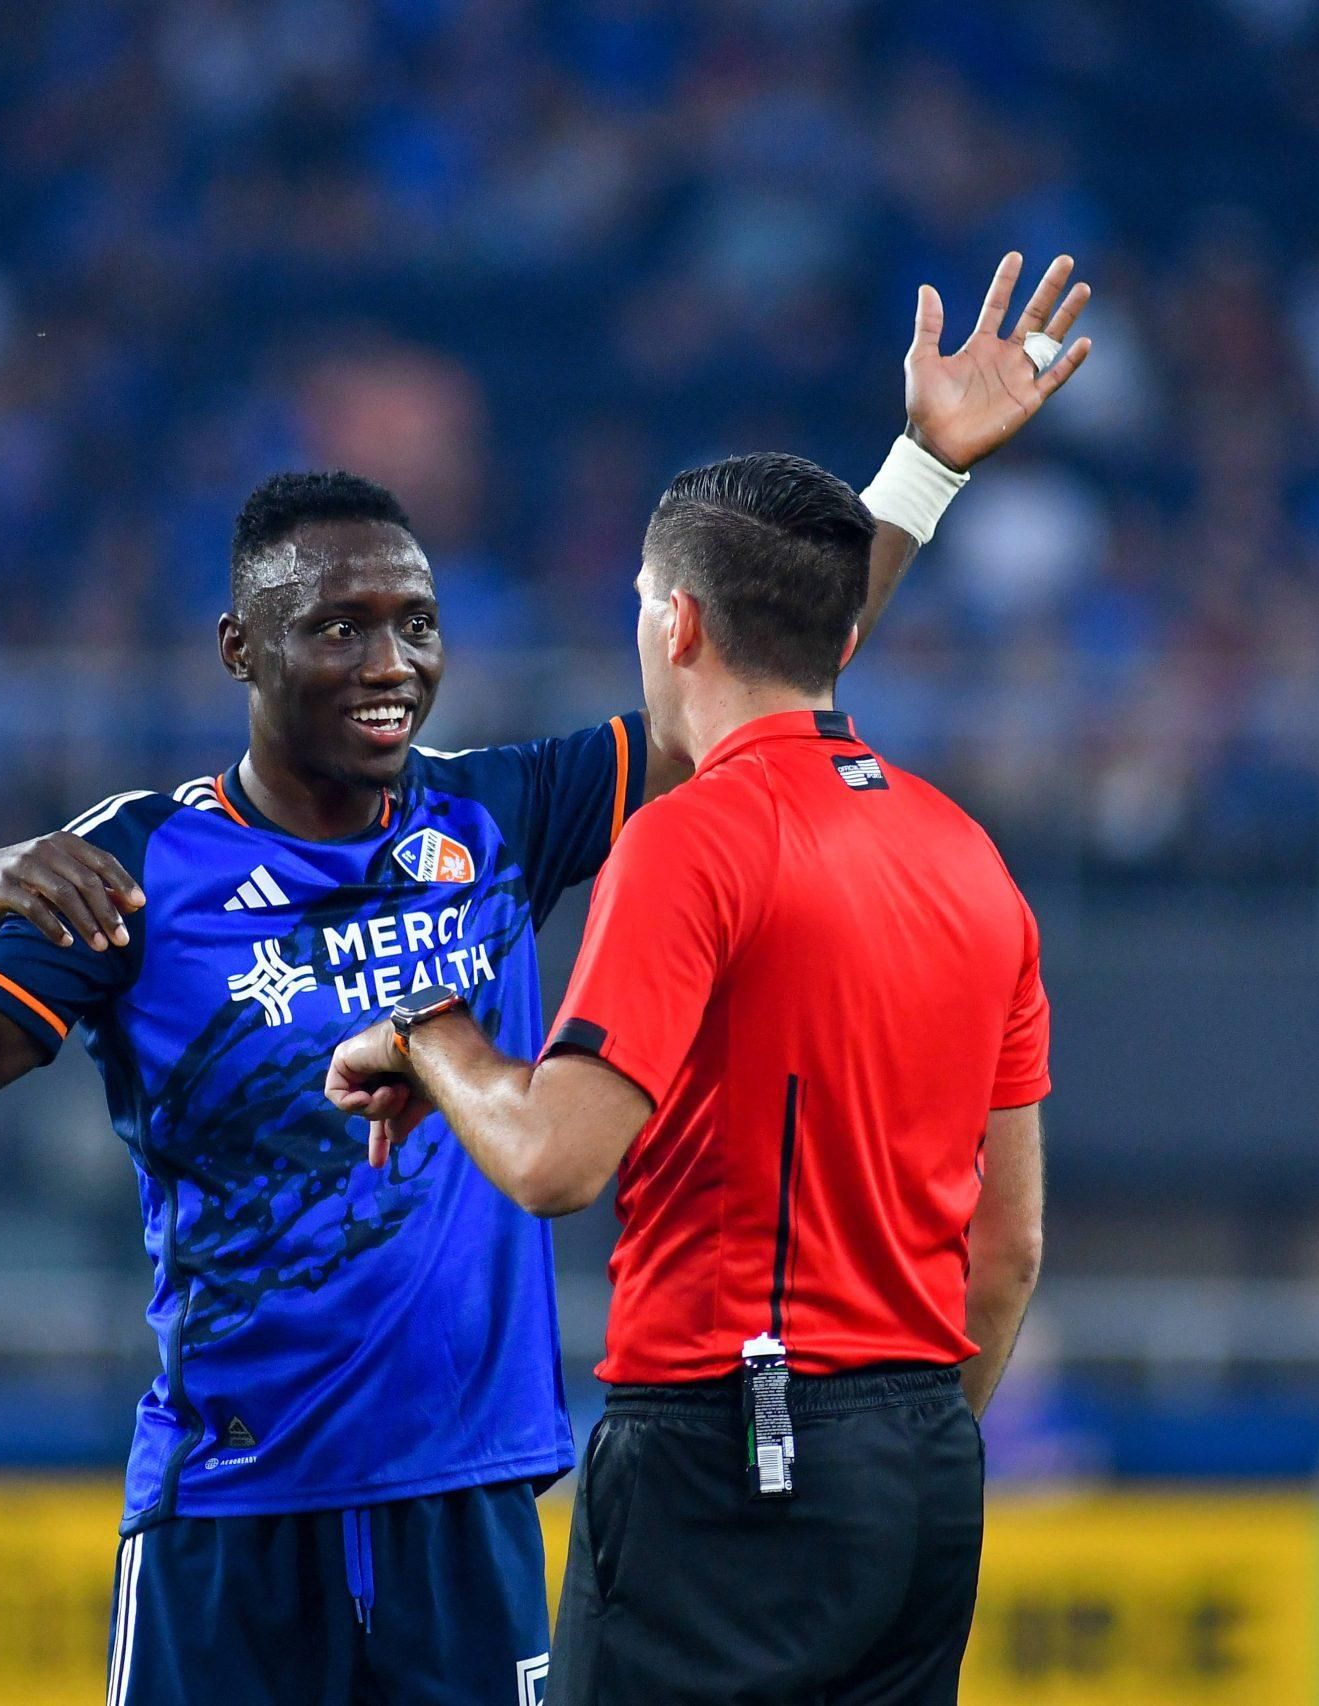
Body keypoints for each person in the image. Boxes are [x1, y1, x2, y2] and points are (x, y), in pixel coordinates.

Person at [0, 254, 1088, 1706]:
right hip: (230, 1507)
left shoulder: (498, 814)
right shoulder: (137, 863)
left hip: (469, 1499)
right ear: (238, 648)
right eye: (337, 627)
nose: (389, 661)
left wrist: (920, 475)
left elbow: (758, 667)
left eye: (415, 623)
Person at [325, 458, 1061, 1700]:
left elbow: (553, 1158)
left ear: (680, 622)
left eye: (637, 602)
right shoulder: (966, 852)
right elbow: (1012, 1245)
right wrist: (896, 1444)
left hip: (725, 1446)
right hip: (924, 1464)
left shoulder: (689, 838)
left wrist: (426, 1036)